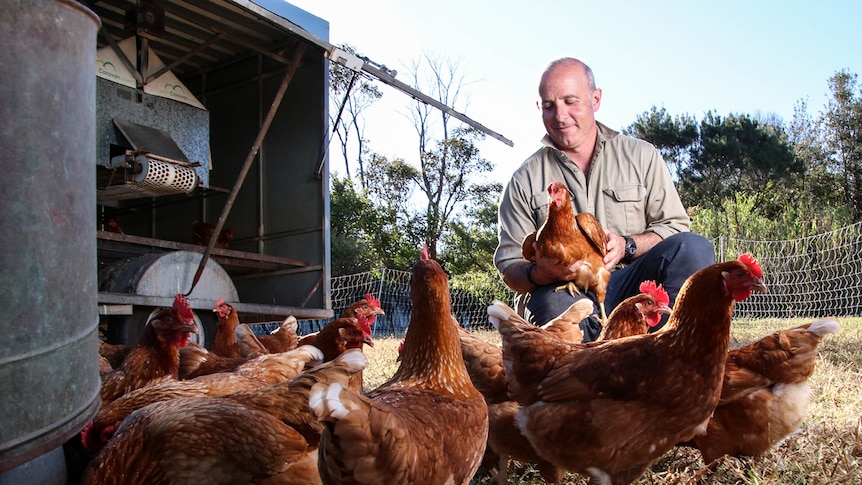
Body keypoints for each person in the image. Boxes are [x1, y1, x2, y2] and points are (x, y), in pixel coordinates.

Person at [494, 57, 715, 342]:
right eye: (549, 106)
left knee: (694, 249)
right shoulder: (524, 179)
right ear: (539, 107)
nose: (560, 115)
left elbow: (675, 228)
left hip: (631, 282)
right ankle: (577, 381)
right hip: (564, 291)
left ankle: (663, 358)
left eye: (571, 101)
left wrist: (628, 245)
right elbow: (510, 266)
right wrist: (539, 273)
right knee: (550, 306)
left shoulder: (641, 156)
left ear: (595, 99)